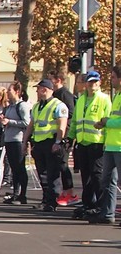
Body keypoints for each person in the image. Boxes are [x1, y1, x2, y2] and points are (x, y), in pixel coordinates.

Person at [68, 69, 111, 221]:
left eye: (95, 82)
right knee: (85, 175)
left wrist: (106, 141)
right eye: (90, 82)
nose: (92, 84)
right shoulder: (80, 100)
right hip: (83, 142)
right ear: (86, 84)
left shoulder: (104, 99)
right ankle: (88, 204)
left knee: (97, 175)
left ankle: (101, 205)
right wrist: (70, 137)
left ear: (99, 83)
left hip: (97, 142)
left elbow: (107, 120)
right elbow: (75, 122)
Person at [25, 78, 69, 213]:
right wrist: (25, 141)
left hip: (51, 143)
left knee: (52, 174)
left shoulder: (58, 105)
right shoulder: (37, 106)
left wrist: (58, 142)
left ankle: (52, 202)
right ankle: (45, 200)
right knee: (42, 174)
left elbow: (62, 124)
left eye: (38, 89)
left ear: (44, 89)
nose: (37, 91)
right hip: (38, 143)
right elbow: (31, 125)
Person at [94, 62, 121, 226]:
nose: (110, 80)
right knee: (107, 181)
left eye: (113, 77)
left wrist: (107, 122)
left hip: (119, 145)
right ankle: (108, 213)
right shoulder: (117, 95)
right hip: (111, 145)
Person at [0, 80, 30, 205]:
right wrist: (3, 121)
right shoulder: (10, 107)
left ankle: (23, 195)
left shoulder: (22, 106)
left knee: (20, 168)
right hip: (9, 139)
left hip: (18, 140)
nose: (7, 92)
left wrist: (9, 122)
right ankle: (16, 193)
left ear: (17, 92)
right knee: (14, 168)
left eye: (9, 90)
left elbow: (27, 122)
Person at [50, 72, 78, 204]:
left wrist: (64, 127)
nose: (50, 82)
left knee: (63, 163)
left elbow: (71, 112)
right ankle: (62, 192)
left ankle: (70, 193)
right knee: (56, 164)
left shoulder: (65, 94)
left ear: (58, 80)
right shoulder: (54, 95)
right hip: (55, 133)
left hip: (64, 133)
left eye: (51, 79)